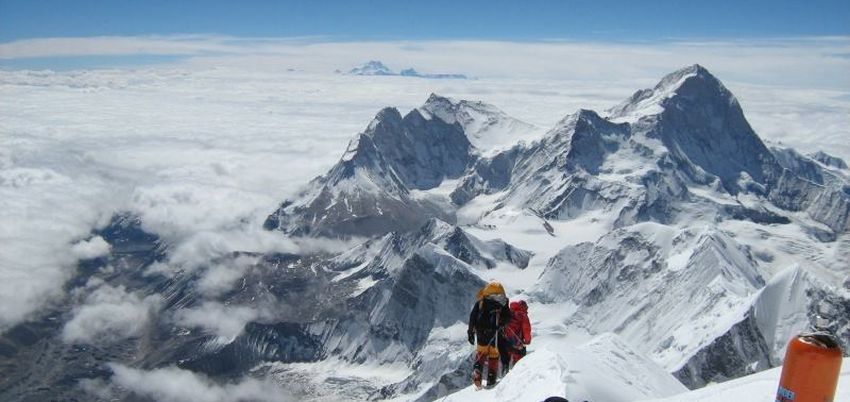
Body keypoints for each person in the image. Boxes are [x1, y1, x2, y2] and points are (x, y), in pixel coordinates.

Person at [468, 281, 511, 389]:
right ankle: (491, 380)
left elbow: (473, 317)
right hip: (495, 335)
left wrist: (470, 332)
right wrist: (502, 323)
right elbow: (508, 317)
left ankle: (477, 370)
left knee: (481, 355)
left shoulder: (481, 302)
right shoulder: (503, 302)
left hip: (481, 333)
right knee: (493, 357)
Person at [501, 299, 532, 373]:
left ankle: (504, 375)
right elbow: (526, 329)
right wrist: (527, 341)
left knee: (506, 361)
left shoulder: (509, 313)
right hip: (517, 343)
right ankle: (516, 377)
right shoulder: (522, 315)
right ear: (523, 307)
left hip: (506, 341)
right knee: (519, 363)